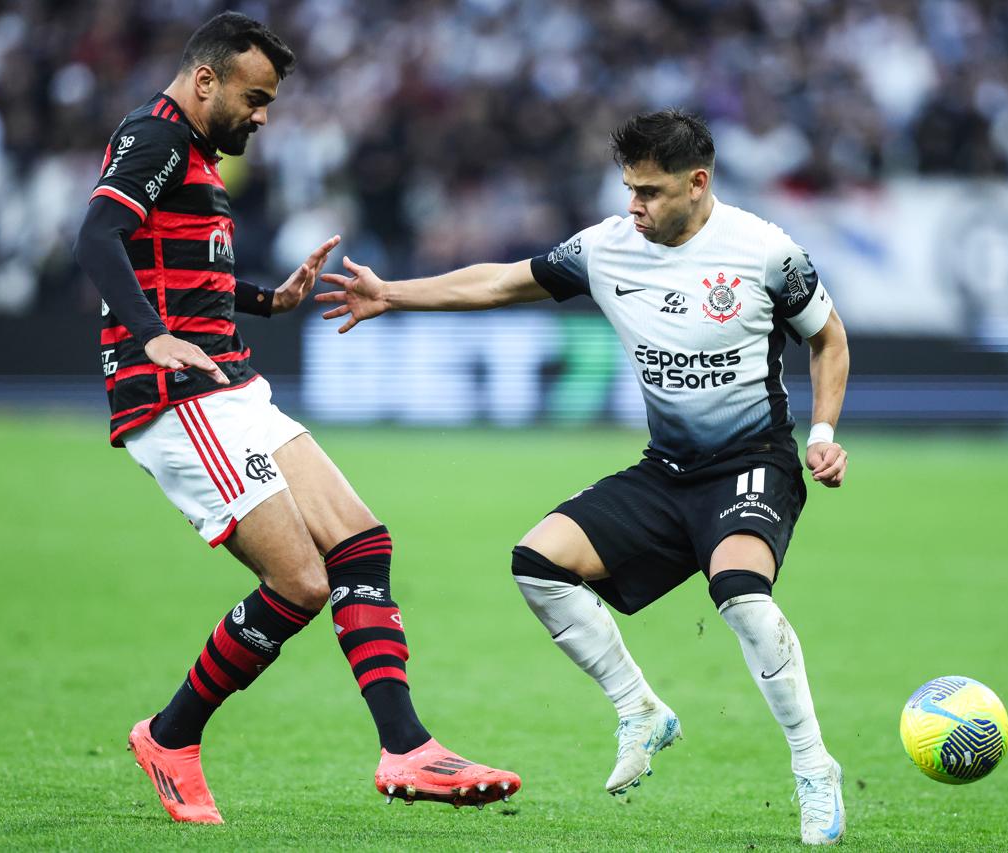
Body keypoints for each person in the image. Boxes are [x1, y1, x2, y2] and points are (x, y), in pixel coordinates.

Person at [317, 109, 851, 846]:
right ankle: (641, 709)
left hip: (753, 464)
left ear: (699, 184)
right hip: (666, 470)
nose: (635, 206)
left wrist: (823, 433)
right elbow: (505, 283)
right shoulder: (607, 248)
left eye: (652, 192)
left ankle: (813, 769)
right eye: (629, 188)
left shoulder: (764, 251)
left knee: (741, 596)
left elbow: (827, 337)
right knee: (538, 561)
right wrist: (394, 294)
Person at [71, 12, 519, 824]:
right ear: (205, 79)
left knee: (361, 540)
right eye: (255, 97)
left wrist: (265, 300)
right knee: (301, 582)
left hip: (230, 383)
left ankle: (407, 749)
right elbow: (99, 236)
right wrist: (154, 336)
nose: (263, 116)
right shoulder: (158, 137)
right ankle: (171, 736)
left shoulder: (192, 152)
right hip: (179, 396)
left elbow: (172, 264)